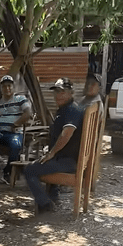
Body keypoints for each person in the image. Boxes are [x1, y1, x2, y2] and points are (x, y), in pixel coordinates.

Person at [23, 77, 85, 213]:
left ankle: (46, 204)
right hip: (65, 158)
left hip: (69, 162)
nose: (58, 95)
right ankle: (53, 196)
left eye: (62, 92)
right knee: (43, 160)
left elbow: (67, 133)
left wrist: (52, 152)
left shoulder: (72, 110)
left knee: (29, 170)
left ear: (71, 93)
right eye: (56, 92)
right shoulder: (64, 110)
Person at [0, 75, 33, 180]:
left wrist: (16, 124)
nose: (7, 88)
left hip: (14, 133)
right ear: (1, 88)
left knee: (15, 144)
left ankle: (7, 172)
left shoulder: (20, 99)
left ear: (13, 87)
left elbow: (28, 113)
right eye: (4, 86)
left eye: (9, 86)